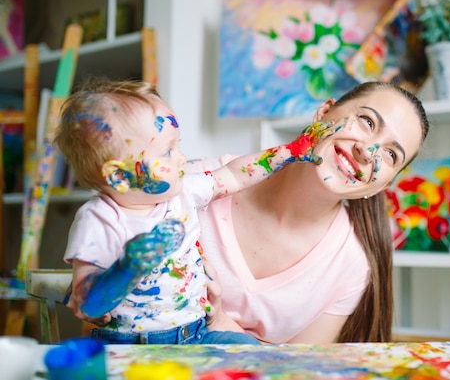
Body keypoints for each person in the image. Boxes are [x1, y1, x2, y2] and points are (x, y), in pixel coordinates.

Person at [55, 78, 334, 345]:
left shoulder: (184, 191)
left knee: (255, 356)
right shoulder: (99, 219)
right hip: (129, 344)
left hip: (196, 334)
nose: (182, 157)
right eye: (167, 152)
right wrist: (129, 268)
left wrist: (288, 151)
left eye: (178, 145)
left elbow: (234, 176)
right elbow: (86, 304)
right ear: (119, 176)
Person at [189, 81, 429, 343]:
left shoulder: (352, 266)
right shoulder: (197, 182)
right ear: (323, 112)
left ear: (384, 184)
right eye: (367, 122)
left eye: (391, 154)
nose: (367, 151)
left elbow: (300, 369)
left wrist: (225, 325)